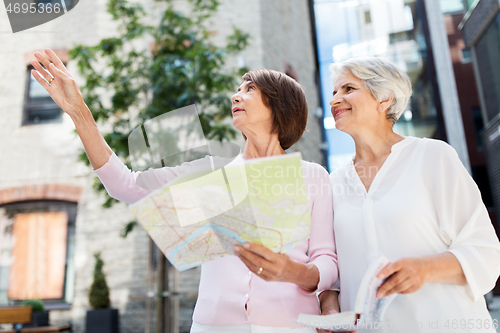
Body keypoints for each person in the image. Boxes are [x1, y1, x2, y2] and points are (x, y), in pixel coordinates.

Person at [31, 49, 338, 333]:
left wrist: (294, 272)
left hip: (289, 325)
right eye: (238, 88)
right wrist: (78, 111)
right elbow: (124, 184)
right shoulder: (211, 173)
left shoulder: (313, 177)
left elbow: (327, 259)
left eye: (250, 89)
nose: (236, 94)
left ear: (279, 105)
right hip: (213, 325)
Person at [319, 57, 500, 333]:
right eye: (333, 92)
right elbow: (334, 277)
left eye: (348, 89)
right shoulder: (332, 184)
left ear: (384, 100)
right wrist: (329, 308)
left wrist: (425, 269)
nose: (335, 100)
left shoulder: (432, 157)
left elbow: (485, 252)